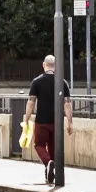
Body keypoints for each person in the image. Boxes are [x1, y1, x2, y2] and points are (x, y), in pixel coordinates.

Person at [24, 54, 73, 185]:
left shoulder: (37, 81)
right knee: (53, 147)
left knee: (39, 145)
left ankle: (48, 162)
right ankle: (50, 172)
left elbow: (31, 102)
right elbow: (67, 104)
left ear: (43, 65)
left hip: (42, 120)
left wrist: (27, 118)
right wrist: (70, 122)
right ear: (55, 67)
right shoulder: (62, 82)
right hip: (56, 121)